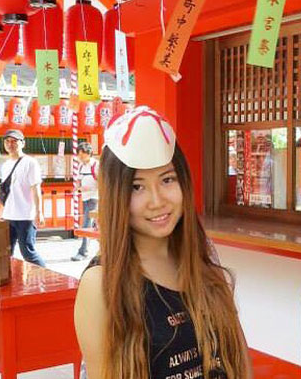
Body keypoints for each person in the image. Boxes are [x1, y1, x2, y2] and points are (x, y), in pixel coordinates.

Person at [74, 107, 252, 379]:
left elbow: (239, 364)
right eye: (137, 187)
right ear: (115, 195)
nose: (157, 201)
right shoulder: (100, 284)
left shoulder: (206, 267)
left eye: (167, 180)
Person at [0, 129, 46, 267]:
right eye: (7, 141)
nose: (10, 144)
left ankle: (46, 277)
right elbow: (4, 191)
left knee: (28, 252)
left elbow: (35, 188)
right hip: (9, 215)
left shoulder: (30, 162)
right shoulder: (6, 165)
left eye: (14, 141)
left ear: (23, 143)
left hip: (25, 215)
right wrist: (1, 212)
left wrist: (39, 212)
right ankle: (10, 279)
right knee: (7, 251)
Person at [71, 142, 99, 261]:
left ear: (89, 154)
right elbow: (79, 179)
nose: (80, 157)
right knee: (94, 226)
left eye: (82, 155)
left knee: (86, 225)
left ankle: (83, 252)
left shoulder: (96, 165)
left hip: (94, 198)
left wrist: (88, 188)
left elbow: (103, 183)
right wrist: (77, 187)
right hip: (85, 197)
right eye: (79, 155)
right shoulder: (82, 166)